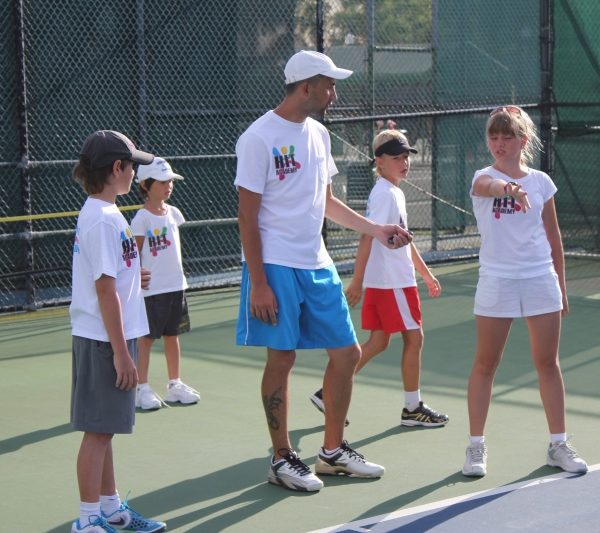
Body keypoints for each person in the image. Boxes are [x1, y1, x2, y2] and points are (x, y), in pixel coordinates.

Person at [234, 50, 413, 492]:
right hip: (274, 264)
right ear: (305, 86)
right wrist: (258, 282)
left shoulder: (319, 135)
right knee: (283, 357)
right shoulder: (258, 138)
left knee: (348, 353)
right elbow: (247, 217)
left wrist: (377, 229)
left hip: (316, 262)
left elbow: (326, 202)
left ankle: (332, 452)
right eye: (329, 85)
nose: (334, 93)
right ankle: (281, 458)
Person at [462, 106, 588, 477]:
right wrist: (508, 188)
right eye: (494, 136)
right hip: (497, 280)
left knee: (548, 363)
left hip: (539, 278)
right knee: (486, 364)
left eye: (507, 137)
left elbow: (553, 236)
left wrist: (561, 285)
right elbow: (487, 187)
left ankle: (558, 444)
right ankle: (475, 448)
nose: (499, 143)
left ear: (523, 140)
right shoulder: (482, 177)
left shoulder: (542, 182)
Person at [309, 129, 449, 428]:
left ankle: (328, 393)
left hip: (393, 280)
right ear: (379, 162)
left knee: (379, 342)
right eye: (396, 158)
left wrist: (425, 274)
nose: (404, 163)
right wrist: (358, 281)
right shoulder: (384, 193)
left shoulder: (393, 191)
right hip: (391, 282)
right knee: (415, 337)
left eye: (406, 157)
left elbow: (403, 240)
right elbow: (368, 236)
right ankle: (413, 408)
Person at [70, 130, 166, 532]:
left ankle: (109, 510)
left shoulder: (106, 214)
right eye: (132, 167)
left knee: (105, 429)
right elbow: (104, 290)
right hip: (105, 341)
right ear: (116, 169)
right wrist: (122, 354)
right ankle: (88, 520)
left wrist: (133, 274)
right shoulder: (103, 220)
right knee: (97, 431)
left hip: (108, 337)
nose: (136, 174)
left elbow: (111, 277)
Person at [130, 157, 200, 410]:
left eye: (170, 181)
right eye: (162, 182)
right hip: (152, 290)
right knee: (147, 339)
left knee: (173, 335)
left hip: (176, 287)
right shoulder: (140, 219)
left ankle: (175, 385)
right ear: (146, 185)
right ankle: (141, 387)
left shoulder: (175, 213)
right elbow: (133, 255)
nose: (168, 186)